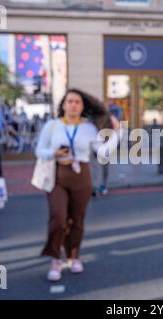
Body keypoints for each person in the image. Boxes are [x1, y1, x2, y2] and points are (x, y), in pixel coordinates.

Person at [35, 88, 121, 282]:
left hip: (82, 175)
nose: (73, 104)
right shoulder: (52, 126)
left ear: (82, 107)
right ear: (63, 105)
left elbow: (103, 152)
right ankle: (56, 259)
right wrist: (53, 154)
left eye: (77, 102)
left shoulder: (89, 128)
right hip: (57, 175)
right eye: (70, 101)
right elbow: (39, 150)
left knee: (77, 219)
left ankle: (73, 256)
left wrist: (117, 133)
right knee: (58, 217)